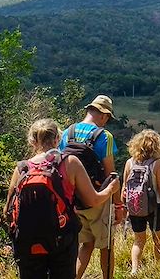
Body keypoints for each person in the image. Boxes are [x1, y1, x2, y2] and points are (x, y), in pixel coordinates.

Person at [5, 118, 120, 279]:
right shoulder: (70, 162)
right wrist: (110, 189)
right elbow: (92, 200)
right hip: (61, 239)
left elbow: (8, 210)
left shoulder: (22, 168)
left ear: (32, 141)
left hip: (27, 243)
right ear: (58, 139)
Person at [59, 95, 125, 279]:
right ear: (103, 115)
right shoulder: (104, 136)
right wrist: (118, 205)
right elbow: (111, 175)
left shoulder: (67, 132)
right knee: (106, 245)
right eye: (108, 118)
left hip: (73, 200)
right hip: (98, 198)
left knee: (85, 244)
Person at [122, 129, 160, 275]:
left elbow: (124, 188)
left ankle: (134, 270)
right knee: (158, 239)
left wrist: (125, 208)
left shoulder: (129, 163)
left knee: (138, 241)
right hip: (155, 207)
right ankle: (159, 269)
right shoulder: (157, 164)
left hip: (135, 208)